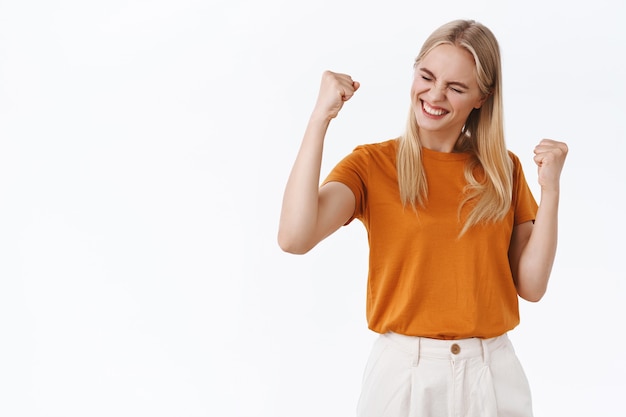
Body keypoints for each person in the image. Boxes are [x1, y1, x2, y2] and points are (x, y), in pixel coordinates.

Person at [277, 19, 567, 417]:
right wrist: (319, 120)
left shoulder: (504, 170)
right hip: (403, 376)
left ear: (482, 97)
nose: (434, 94)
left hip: (492, 374)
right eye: (426, 76)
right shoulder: (371, 165)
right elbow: (294, 237)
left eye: (456, 87)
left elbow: (531, 286)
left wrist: (550, 191)